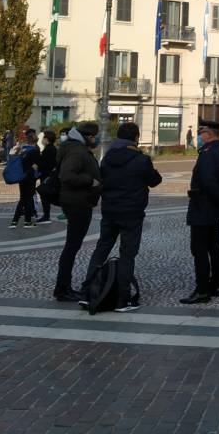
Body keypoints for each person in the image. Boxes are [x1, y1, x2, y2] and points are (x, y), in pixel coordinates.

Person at [80, 122, 162, 313]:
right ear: (136, 138)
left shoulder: (107, 159)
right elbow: (155, 181)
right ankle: (122, 300)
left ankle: (87, 293)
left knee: (101, 249)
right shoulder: (141, 160)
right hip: (132, 213)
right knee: (127, 255)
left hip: (110, 210)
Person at [182, 119, 219, 304]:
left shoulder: (206, 154)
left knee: (199, 249)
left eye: (201, 133)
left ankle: (202, 290)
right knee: (215, 247)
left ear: (209, 134)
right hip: (216, 210)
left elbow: (208, 182)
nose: (199, 136)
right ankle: (216, 285)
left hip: (203, 208)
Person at [53, 122, 102, 302]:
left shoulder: (76, 148)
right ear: (88, 137)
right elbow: (67, 175)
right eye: (94, 136)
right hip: (78, 202)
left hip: (77, 201)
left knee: (72, 246)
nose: (95, 139)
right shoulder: (77, 151)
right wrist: (90, 181)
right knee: (72, 247)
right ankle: (63, 288)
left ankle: (63, 286)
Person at [9, 129, 41, 229]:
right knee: (27, 198)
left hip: (21, 176)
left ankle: (14, 221)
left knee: (23, 199)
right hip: (30, 177)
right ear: (35, 141)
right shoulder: (35, 151)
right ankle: (27, 221)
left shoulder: (23, 150)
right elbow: (36, 166)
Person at [35, 130, 58, 224]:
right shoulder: (50, 148)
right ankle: (46, 215)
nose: (42, 139)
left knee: (45, 195)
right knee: (46, 195)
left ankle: (46, 216)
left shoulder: (50, 149)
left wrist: (38, 165)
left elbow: (47, 163)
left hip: (47, 175)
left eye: (43, 137)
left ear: (47, 139)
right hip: (47, 175)